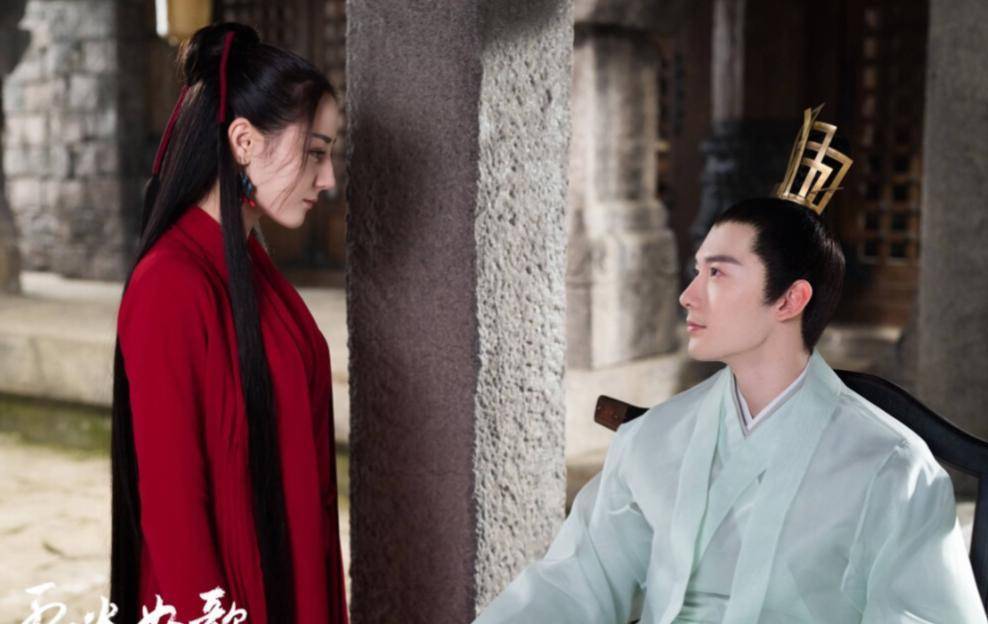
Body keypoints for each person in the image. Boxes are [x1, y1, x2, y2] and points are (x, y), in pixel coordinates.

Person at [474, 108, 985, 623]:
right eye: (697, 270)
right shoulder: (652, 438)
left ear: (789, 300)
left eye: (717, 274)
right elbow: (574, 583)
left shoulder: (892, 467)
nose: (688, 295)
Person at [110, 22, 348, 624]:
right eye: (315, 152)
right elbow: (174, 518)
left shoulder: (249, 265)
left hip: (291, 580)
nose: (328, 179)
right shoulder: (171, 284)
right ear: (243, 140)